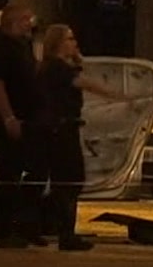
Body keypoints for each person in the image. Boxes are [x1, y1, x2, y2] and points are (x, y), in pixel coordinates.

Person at [37, 24, 127, 251]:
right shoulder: (57, 68)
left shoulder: (59, 67)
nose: (74, 43)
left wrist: (78, 59)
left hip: (64, 129)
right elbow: (84, 82)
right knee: (68, 180)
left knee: (71, 180)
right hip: (60, 130)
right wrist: (117, 95)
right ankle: (65, 232)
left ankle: (65, 230)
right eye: (70, 39)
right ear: (58, 43)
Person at [0, 4, 47, 249]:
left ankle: (26, 225)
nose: (30, 23)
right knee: (8, 175)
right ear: (12, 22)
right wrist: (8, 117)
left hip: (30, 120)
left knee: (37, 171)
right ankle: (2, 229)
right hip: (10, 121)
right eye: (25, 19)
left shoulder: (24, 47)